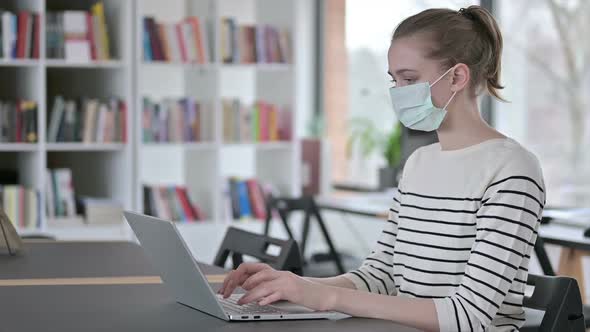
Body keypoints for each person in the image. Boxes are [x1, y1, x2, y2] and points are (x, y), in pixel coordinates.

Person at [219, 5, 545, 331]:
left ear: (458, 77)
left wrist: (325, 297)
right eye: (395, 80)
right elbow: (380, 275)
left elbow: (467, 317)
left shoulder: (511, 169)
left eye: (409, 79)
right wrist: (293, 285)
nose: (398, 93)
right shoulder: (419, 164)